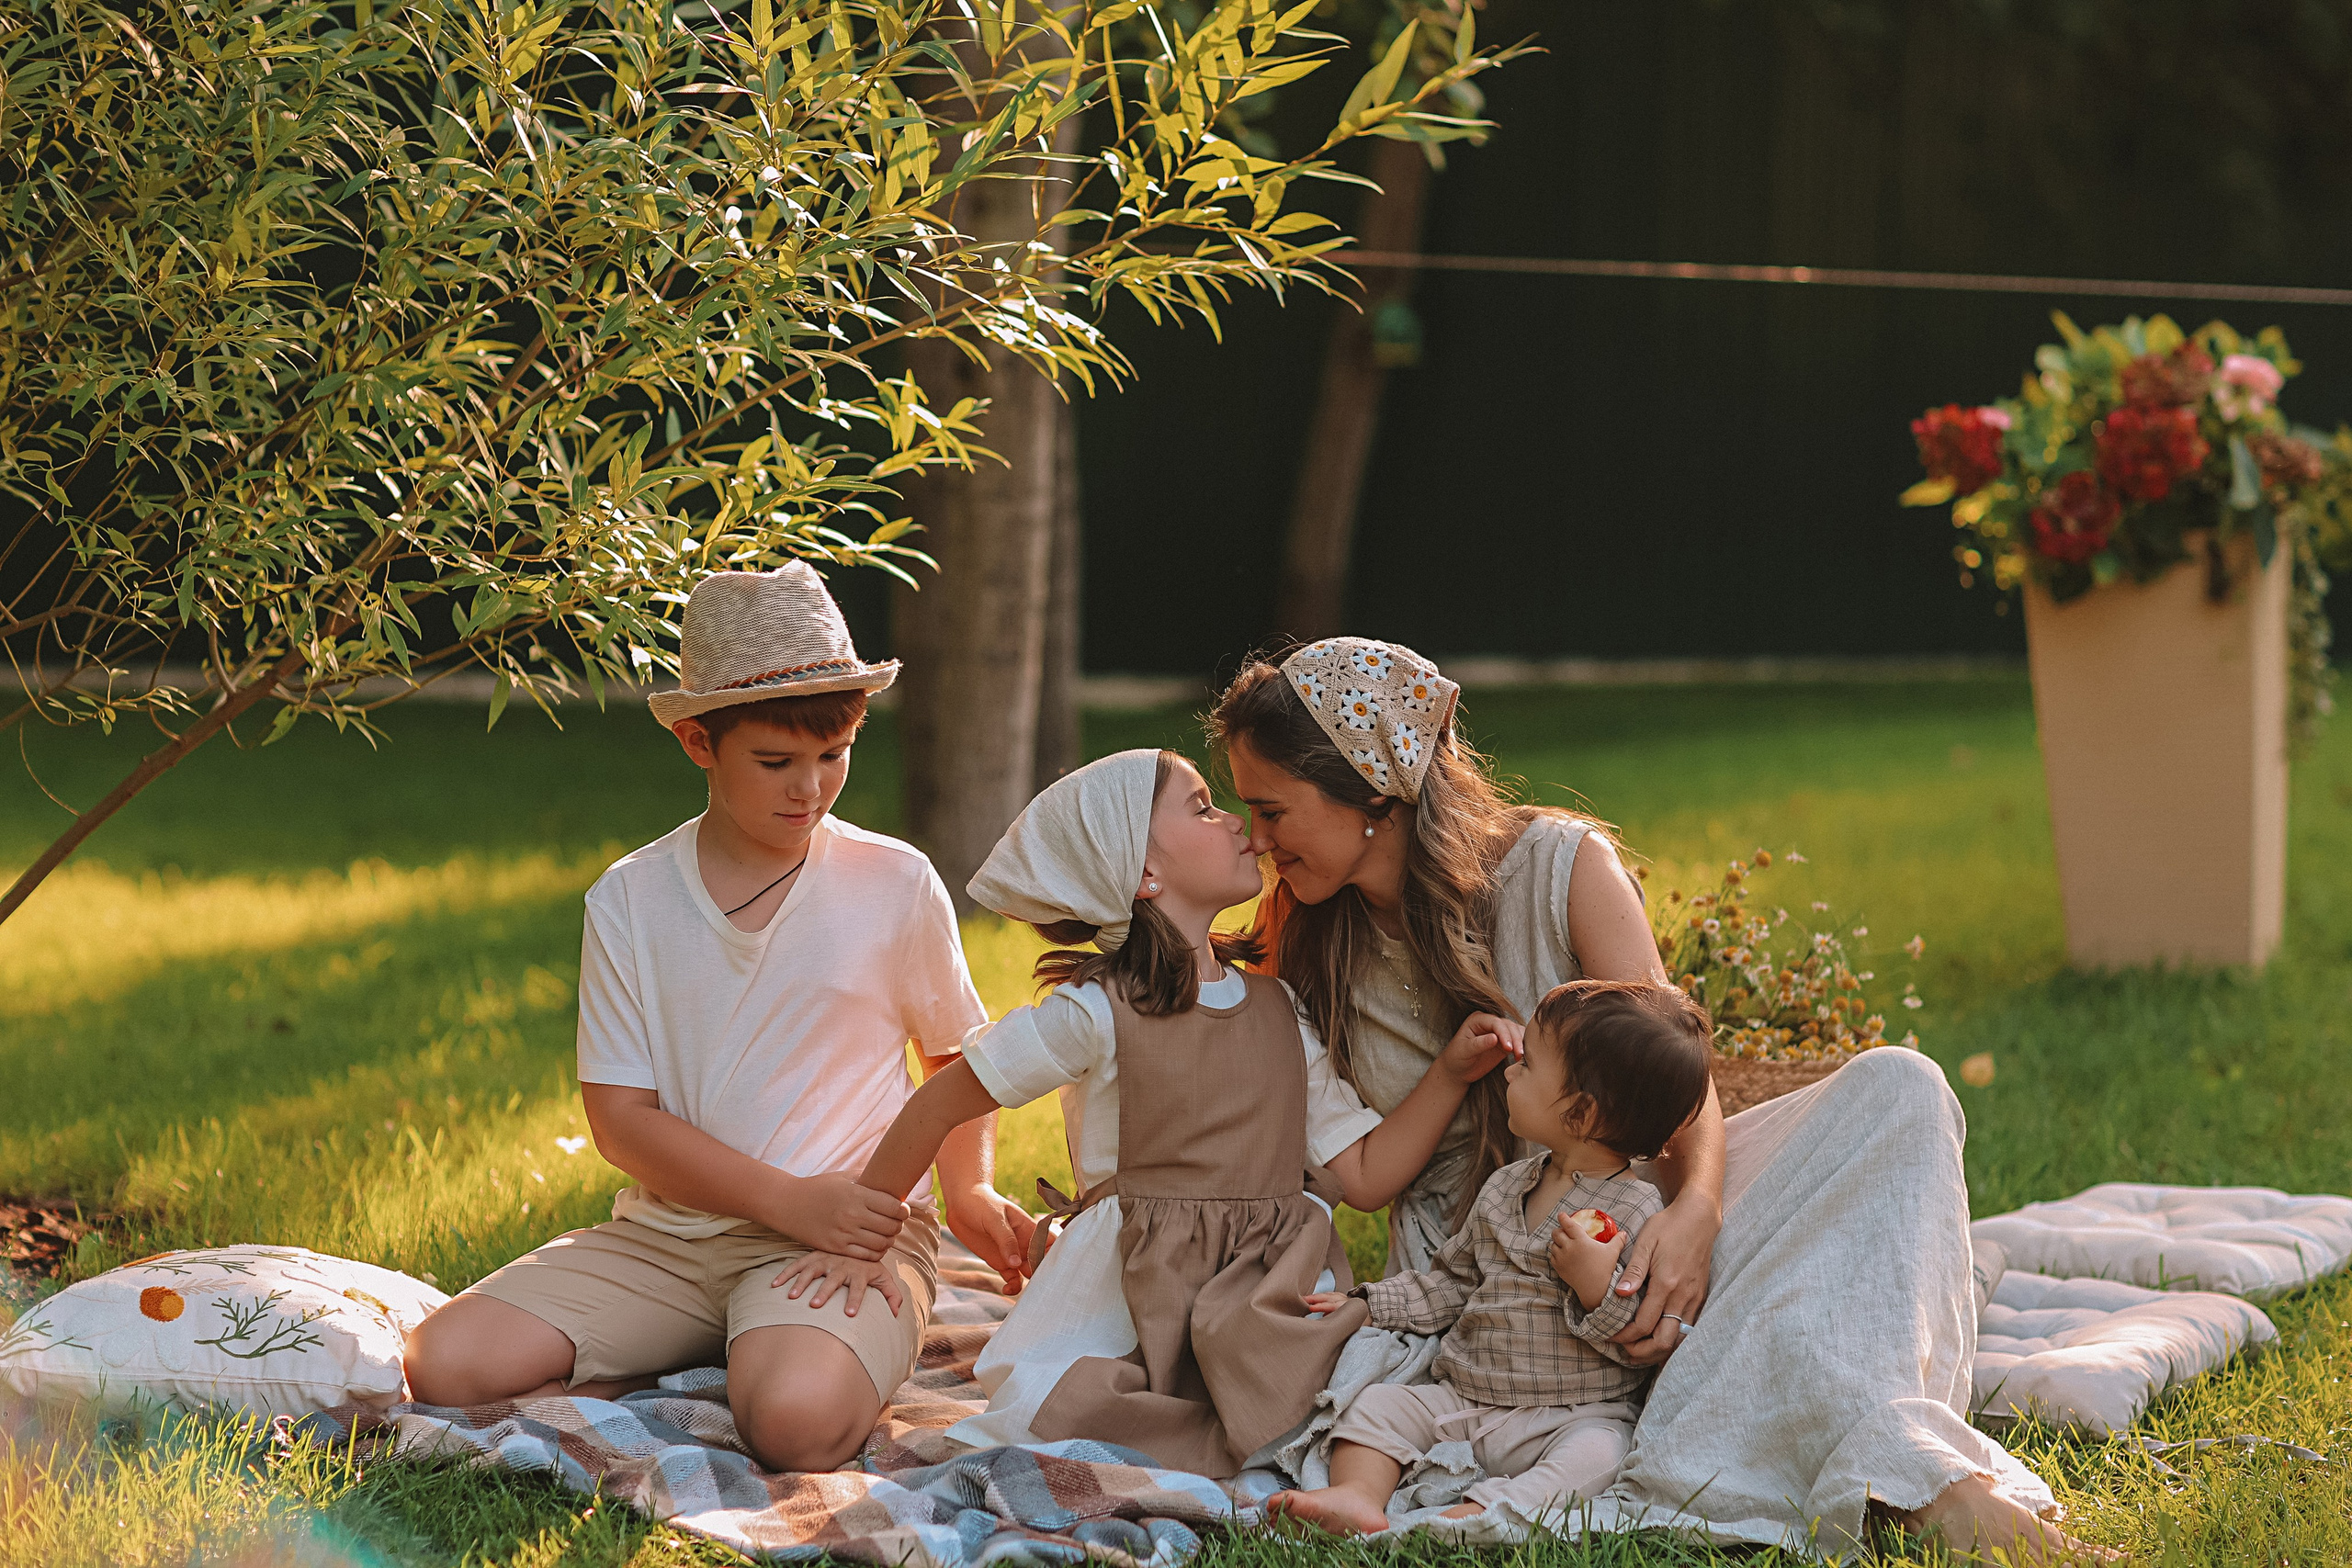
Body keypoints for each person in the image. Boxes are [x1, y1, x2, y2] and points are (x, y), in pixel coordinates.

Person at [1211, 638, 2119, 1564]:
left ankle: (1900, 1457)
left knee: (1902, 1088)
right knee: (1811, 1300)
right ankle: (1898, 1480)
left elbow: (1681, 1094)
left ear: (1372, 791)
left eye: (1270, 808)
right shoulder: (1305, 942)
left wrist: (1692, 1213)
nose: (1255, 838)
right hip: (1496, 1290)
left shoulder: (1562, 866)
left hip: (1644, 1213)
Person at [401, 564, 1034, 1474]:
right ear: (699, 741)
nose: (809, 789)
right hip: (672, 1238)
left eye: (834, 755)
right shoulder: (631, 898)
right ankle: (695, 1357)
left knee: (795, 1427)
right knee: (444, 1365)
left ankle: (746, 1357)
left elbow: (955, 1058)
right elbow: (621, 1121)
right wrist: (785, 1201)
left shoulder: (893, 883)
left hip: (849, 1242)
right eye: (775, 762)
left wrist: (966, 1193)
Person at [846, 748, 1516, 1477]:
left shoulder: (1276, 1007)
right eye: (1202, 807)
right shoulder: (1097, 1012)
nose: (1239, 822)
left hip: (1264, 1302)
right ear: (1144, 874)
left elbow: (1362, 1174)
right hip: (1136, 1301)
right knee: (1067, 1413)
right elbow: (940, 1097)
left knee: (1373, 1391)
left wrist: (1451, 1071)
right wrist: (860, 1241)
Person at [1272, 980, 1713, 1534]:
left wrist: (1596, 1286)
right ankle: (1357, 1495)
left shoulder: (1636, 1208)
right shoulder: (1506, 1187)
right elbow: (1453, 1282)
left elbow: (1640, 1337)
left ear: (1579, 1113)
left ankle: (1484, 1513)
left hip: (1570, 1414)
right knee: (1378, 1406)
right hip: (1467, 1398)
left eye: (1527, 1067)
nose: (1509, 1072)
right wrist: (1367, 1302)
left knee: (1599, 1456)